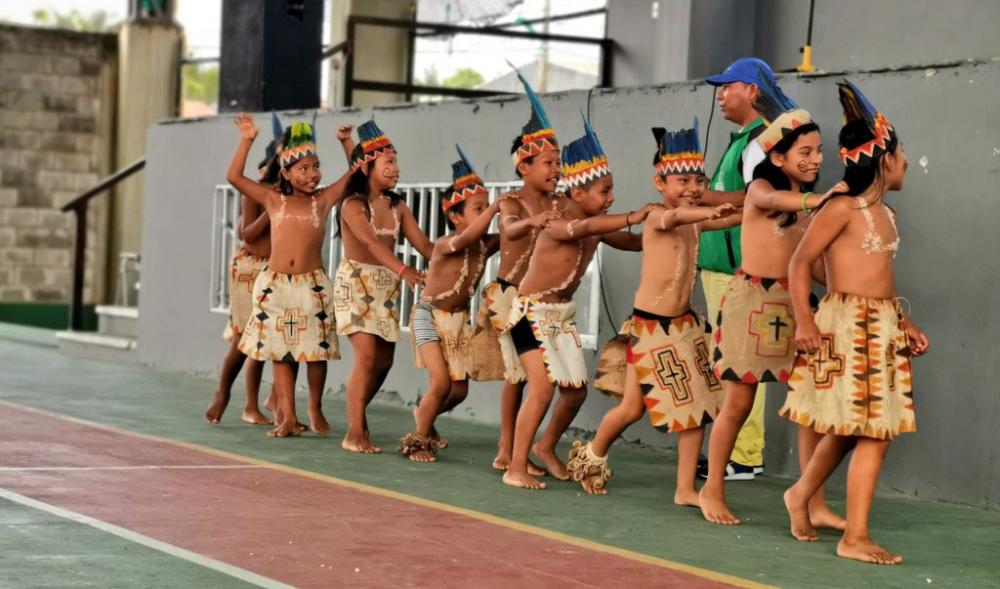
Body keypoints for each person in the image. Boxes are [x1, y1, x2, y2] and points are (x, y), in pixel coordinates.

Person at [780, 81, 927, 564]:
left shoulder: (886, 213)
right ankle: (854, 536)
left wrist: (901, 321)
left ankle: (801, 495)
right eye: (902, 153)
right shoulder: (841, 208)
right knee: (871, 432)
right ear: (885, 159)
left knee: (850, 429)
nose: (906, 162)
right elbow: (800, 263)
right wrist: (805, 319)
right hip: (847, 328)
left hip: (880, 328)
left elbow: (879, 279)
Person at [700, 73, 847, 525]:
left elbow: (812, 263)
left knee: (806, 407)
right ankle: (711, 490)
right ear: (777, 155)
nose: (815, 159)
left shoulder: (804, 202)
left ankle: (812, 501)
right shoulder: (761, 192)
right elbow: (768, 198)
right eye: (805, 152)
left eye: (818, 151)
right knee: (739, 404)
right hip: (750, 302)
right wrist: (816, 202)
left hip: (796, 306)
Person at [569, 121, 738, 503]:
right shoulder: (657, 217)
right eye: (682, 181)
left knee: (696, 408)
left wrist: (759, 212)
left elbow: (729, 218)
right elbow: (677, 218)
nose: (693, 189)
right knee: (630, 409)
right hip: (649, 328)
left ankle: (684, 489)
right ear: (659, 183)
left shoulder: (696, 219)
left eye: (699, 181)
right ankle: (593, 454)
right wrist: (709, 213)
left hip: (683, 327)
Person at [502, 116, 656, 490]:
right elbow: (582, 230)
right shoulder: (559, 222)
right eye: (604, 192)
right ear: (578, 194)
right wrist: (636, 215)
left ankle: (545, 447)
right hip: (529, 313)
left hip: (560, 316)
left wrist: (669, 221)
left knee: (575, 391)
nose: (611, 198)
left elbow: (635, 242)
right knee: (540, 387)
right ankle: (515, 466)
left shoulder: (597, 225)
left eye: (611, 190)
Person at [228, 116, 349, 437]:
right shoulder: (272, 198)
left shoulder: (322, 200)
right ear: (285, 173)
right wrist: (247, 140)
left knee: (316, 350)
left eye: (316, 167)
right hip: (276, 286)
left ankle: (315, 406)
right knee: (281, 351)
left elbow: (354, 176)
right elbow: (234, 176)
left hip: (313, 286)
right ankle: (289, 417)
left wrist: (346, 144)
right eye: (303, 169)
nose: (312, 174)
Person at [334, 120, 434, 453]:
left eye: (396, 161)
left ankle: (357, 415)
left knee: (383, 363)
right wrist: (405, 270)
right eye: (388, 162)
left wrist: (464, 248)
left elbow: (426, 247)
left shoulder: (398, 207)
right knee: (365, 356)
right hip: (356, 284)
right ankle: (355, 431)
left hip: (386, 287)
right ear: (368, 166)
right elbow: (372, 243)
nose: (396, 168)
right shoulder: (351, 205)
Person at [400, 146, 503, 462]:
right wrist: (496, 208)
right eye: (477, 208)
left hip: (458, 322)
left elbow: (515, 235)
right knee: (442, 382)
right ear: (456, 216)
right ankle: (417, 442)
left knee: (458, 391)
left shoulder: (487, 244)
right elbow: (465, 238)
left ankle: (424, 416)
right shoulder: (447, 244)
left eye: (485, 207)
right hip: (428, 317)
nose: (484, 213)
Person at [484, 67, 561, 474]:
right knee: (518, 376)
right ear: (524, 166)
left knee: (533, 377)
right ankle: (507, 447)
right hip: (509, 296)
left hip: (540, 300)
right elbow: (509, 228)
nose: (555, 169)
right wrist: (531, 223)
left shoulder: (558, 203)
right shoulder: (512, 201)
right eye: (547, 162)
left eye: (558, 162)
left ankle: (518, 447)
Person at [205, 113, 282, 427]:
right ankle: (226, 393)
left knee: (276, 339)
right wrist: (273, 209)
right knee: (244, 339)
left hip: (277, 270)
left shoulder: (297, 192)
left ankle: (272, 401)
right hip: (251, 268)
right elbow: (247, 233)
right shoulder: (260, 188)